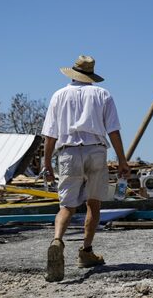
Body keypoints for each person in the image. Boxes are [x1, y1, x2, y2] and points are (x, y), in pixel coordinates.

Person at [41, 55, 130, 282]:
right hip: (96, 151)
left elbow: (50, 135)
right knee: (93, 203)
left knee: (66, 206)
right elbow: (113, 130)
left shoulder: (58, 96)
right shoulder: (102, 94)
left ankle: (57, 240)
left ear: (73, 74)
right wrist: (122, 160)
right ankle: (86, 252)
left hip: (68, 152)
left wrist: (47, 163)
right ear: (91, 75)